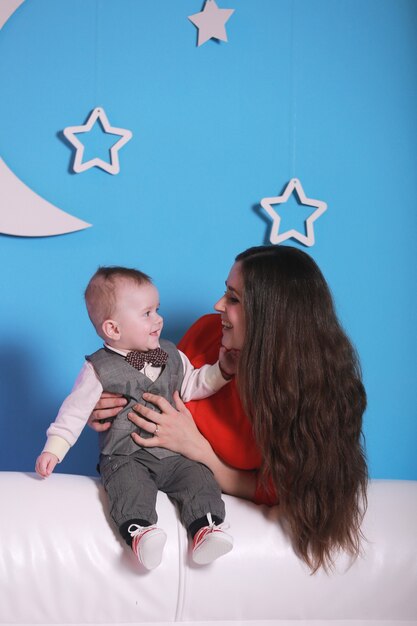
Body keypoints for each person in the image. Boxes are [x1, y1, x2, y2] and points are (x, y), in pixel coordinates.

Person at [89, 246, 368, 572]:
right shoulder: (208, 332)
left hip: (197, 492)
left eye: (233, 299)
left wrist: (198, 450)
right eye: (225, 292)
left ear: (271, 317)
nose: (218, 305)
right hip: (139, 468)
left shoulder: (310, 396)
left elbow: (282, 489)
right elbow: (152, 378)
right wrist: (106, 397)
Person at [35, 266, 236, 570]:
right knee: (127, 486)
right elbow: (75, 411)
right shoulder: (98, 368)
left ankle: (206, 528)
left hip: (173, 454)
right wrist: (54, 449)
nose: (158, 319)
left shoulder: (170, 353)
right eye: (147, 314)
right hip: (125, 454)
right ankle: (140, 532)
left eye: (158, 309)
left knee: (198, 477)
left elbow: (194, 383)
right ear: (113, 329)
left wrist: (222, 372)